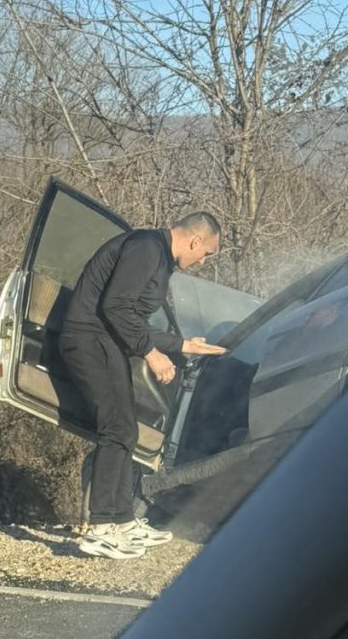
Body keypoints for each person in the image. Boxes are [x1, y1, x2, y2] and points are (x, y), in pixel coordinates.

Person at [59, 212, 228, 559]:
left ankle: (122, 521)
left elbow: (128, 317)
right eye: (207, 253)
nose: (204, 260)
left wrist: (180, 345)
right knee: (116, 428)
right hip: (90, 340)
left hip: (103, 342)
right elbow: (115, 307)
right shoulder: (146, 248)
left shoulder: (157, 254)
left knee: (126, 432)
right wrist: (151, 354)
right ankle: (101, 528)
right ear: (195, 241)